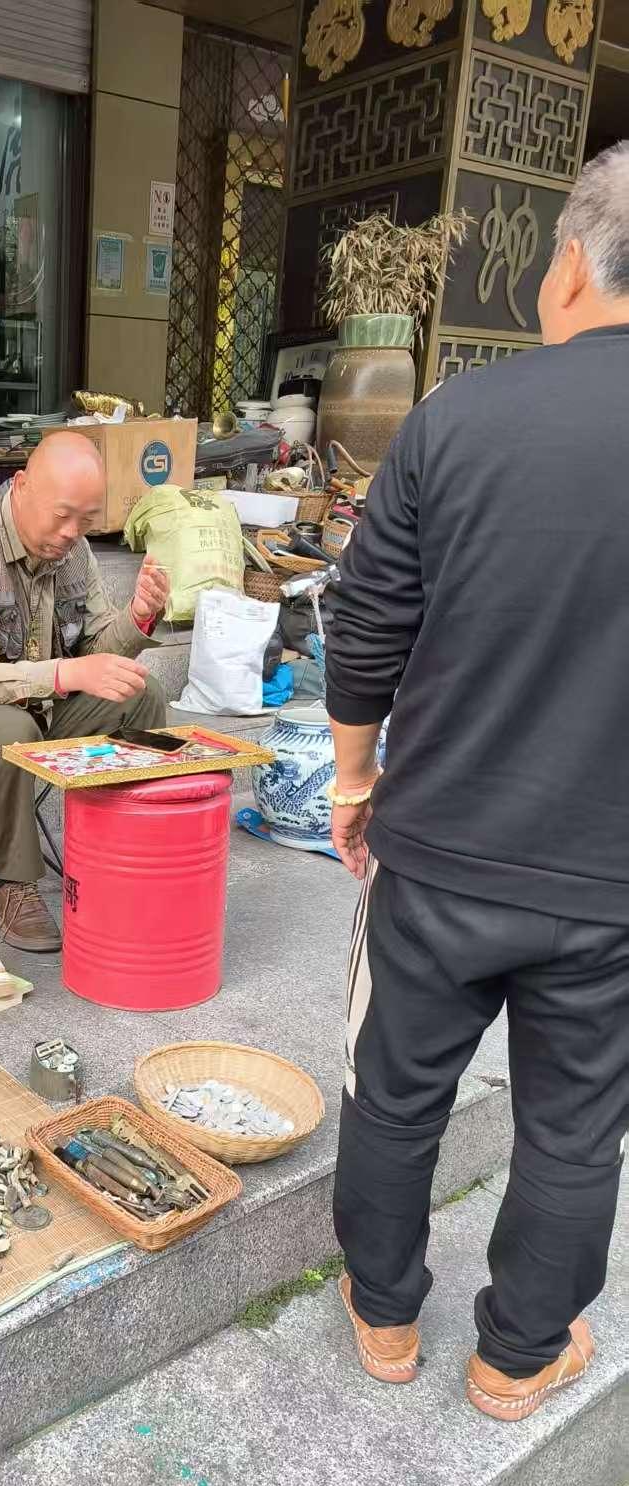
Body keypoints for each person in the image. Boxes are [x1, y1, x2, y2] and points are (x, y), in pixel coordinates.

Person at [325, 142, 629, 1421]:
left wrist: (353, 782)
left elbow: (364, 623)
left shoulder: (458, 418)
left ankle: (385, 1317)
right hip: (611, 881)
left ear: (568, 267)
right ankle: (515, 1358)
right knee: (575, 1126)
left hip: (441, 846)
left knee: (394, 1093)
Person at [0, 431, 170, 951]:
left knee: (141, 693)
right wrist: (66, 674)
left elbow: (95, 646)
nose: (71, 533)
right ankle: (13, 887)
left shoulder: (73, 550)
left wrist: (136, 617)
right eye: (62, 515)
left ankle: (124, 854)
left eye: (85, 520)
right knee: (8, 729)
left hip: (37, 705)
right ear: (21, 487)